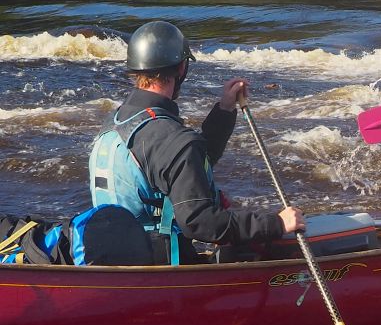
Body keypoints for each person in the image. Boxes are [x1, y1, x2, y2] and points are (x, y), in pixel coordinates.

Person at [88, 20, 305, 265]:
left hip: (111, 255)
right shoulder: (172, 138)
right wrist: (276, 224)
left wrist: (224, 109)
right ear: (181, 68)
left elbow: (189, 163)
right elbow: (201, 223)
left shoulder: (116, 121)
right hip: (160, 269)